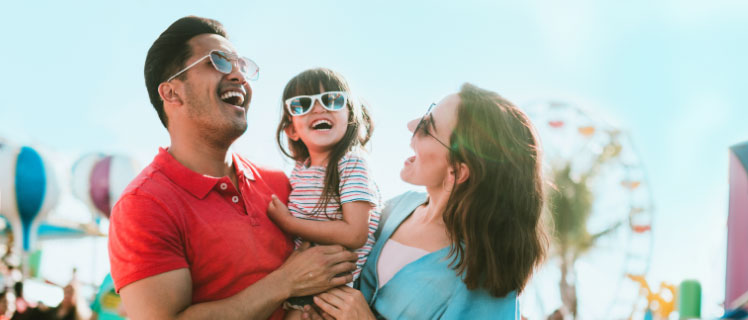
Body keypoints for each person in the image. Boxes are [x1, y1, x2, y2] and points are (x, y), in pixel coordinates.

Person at [107, 16, 357, 320]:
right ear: (172, 93)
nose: (239, 76)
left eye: (241, 65)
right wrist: (285, 283)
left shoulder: (281, 184)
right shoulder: (144, 205)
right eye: (219, 62)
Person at [311, 83, 549, 319]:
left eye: (427, 127)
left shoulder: (484, 278)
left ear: (457, 171)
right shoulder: (394, 208)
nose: (411, 125)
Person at [265, 68, 381, 316]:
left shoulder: (352, 163)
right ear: (291, 130)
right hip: (300, 286)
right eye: (301, 105)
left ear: (350, 114)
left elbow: (354, 233)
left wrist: (289, 222)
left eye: (331, 100)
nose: (318, 109)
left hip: (332, 293)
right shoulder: (300, 170)